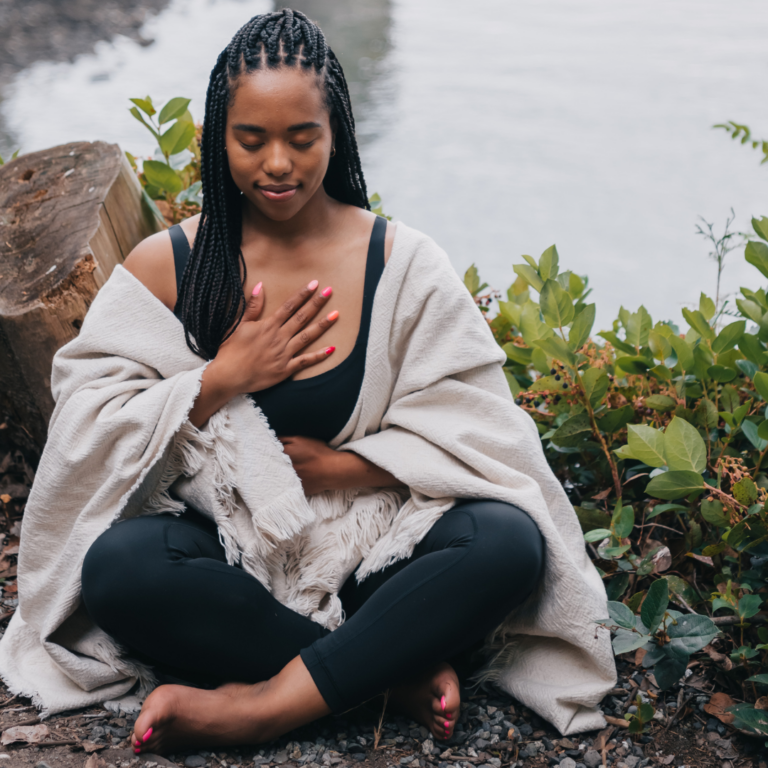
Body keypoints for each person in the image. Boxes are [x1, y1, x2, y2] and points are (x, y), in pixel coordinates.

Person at [0, 8, 615, 757]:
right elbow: (88, 430)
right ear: (218, 136)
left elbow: (483, 429)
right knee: (119, 571)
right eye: (251, 139)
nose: (278, 165)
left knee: (508, 541)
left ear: (338, 133)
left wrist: (350, 467)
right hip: (229, 557)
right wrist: (223, 379)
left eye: (302, 137)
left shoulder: (403, 264)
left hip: (370, 554)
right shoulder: (170, 265)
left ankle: (262, 707)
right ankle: (389, 675)